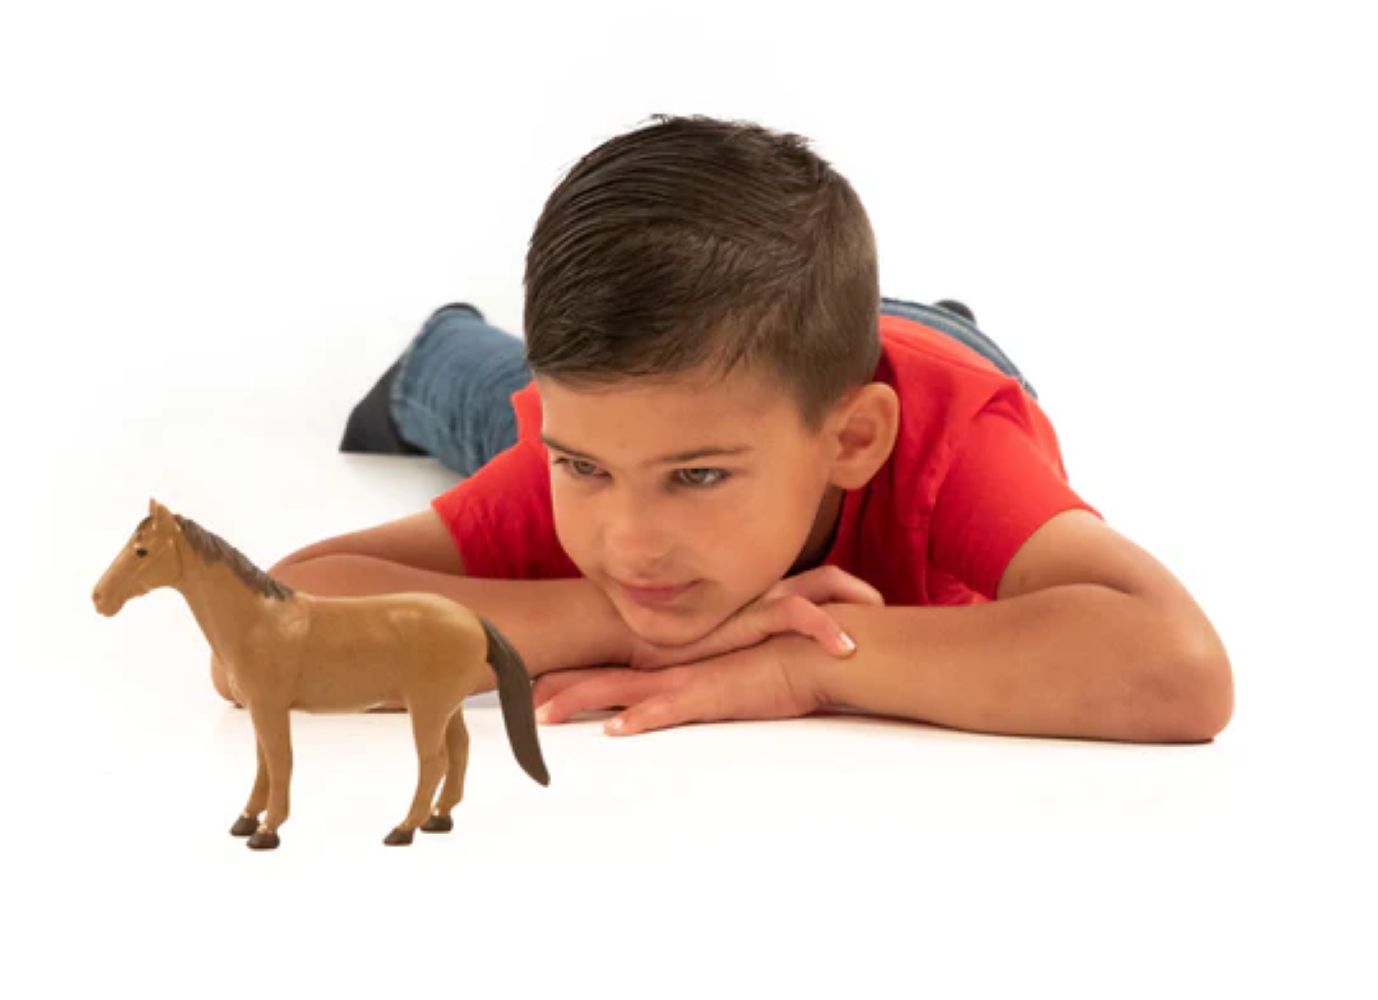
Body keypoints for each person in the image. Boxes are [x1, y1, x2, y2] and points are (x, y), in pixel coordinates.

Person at [224, 114, 1233, 743]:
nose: (625, 541)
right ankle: (443, 353)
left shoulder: (950, 448)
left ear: (852, 441)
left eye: (696, 477)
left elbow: (1178, 670)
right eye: (583, 468)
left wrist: (805, 661)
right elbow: (261, 630)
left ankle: (928, 326)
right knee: (492, 406)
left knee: (885, 356)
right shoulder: (606, 453)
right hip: (729, 373)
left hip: (933, 364)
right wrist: (619, 618)